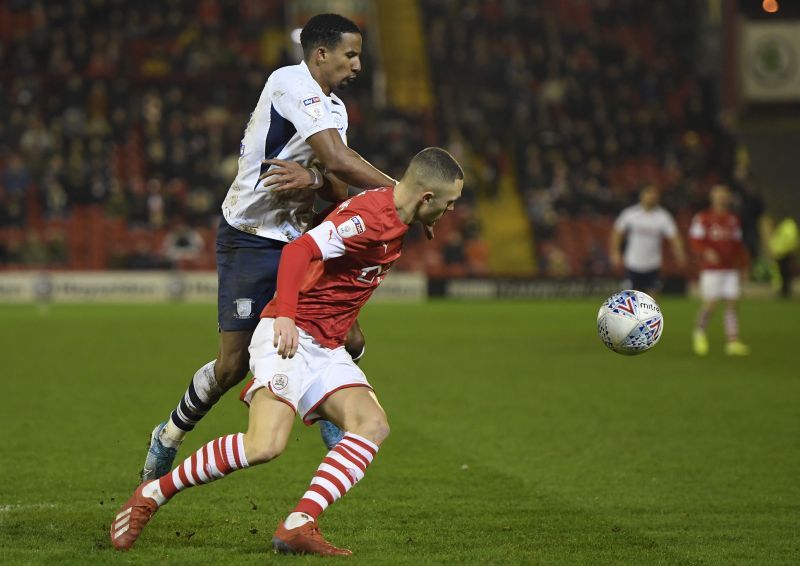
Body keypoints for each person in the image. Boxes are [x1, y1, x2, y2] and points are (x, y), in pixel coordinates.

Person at [110, 147, 465, 555]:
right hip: (290, 337)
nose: (451, 212)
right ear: (426, 197)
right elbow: (300, 251)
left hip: (326, 345)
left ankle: (300, 523)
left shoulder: (398, 214)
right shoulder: (369, 218)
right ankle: (151, 494)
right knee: (264, 446)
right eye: (449, 204)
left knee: (372, 424)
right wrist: (286, 316)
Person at [139, 14, 432, 482]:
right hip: (250, 236)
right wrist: (408, 195)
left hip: (299, 239)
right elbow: (340, 159)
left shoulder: (336, 110)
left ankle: (331, 421)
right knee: (232, 366)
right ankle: (170, 434)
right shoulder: (288, 83)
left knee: (350, 338)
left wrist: (315, 179)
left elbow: (336, 182)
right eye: (350, 55)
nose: (358, 65)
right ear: (321, 54)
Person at [689, 184, 750, 356]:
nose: (721, 197)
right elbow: (695, 240)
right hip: (711, 269)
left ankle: (733, 342)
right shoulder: (703, 218)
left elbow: (738, 245)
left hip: (730, 268)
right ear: (712, 197)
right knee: (711, 303)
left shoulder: (733, 219)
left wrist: (744, 266)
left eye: (724, 194)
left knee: (732, 303)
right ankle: (699, 332)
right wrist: (706, 251)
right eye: (718, 194)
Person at [609, 185, 687, 296]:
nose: (652, 196)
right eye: (649, 193)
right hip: (632, 264)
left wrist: (680, 253)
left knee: (651, 301)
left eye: (654, 194)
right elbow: (617, 232)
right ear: (642, 196)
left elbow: (674, 236)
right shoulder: (630, 214)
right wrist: (614, 252)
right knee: (630, 300)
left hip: (653, 264)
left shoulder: (663, 216)